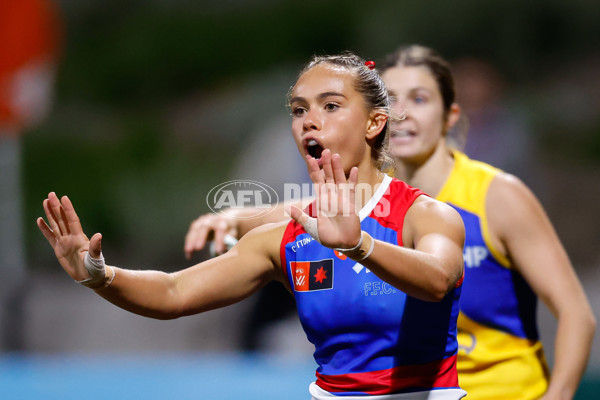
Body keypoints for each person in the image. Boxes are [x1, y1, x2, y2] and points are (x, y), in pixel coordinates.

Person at [38, 52, 468, 399]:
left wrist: (360, 246)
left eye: (331, 106)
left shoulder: (425, 215)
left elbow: (437, 280)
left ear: (375, 123)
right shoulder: (285, 237)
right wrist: (100, 277)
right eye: (299, 109)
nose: (309, 121)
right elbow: (173, 293)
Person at [185, 45, 596, 400]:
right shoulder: (374, 199)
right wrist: (230, 218)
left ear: (452, 116)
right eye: (392, 99)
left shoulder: (496, 196)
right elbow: (293, 214)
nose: (402, 112)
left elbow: (577, 315)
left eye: (418, 99)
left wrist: (557, 395)